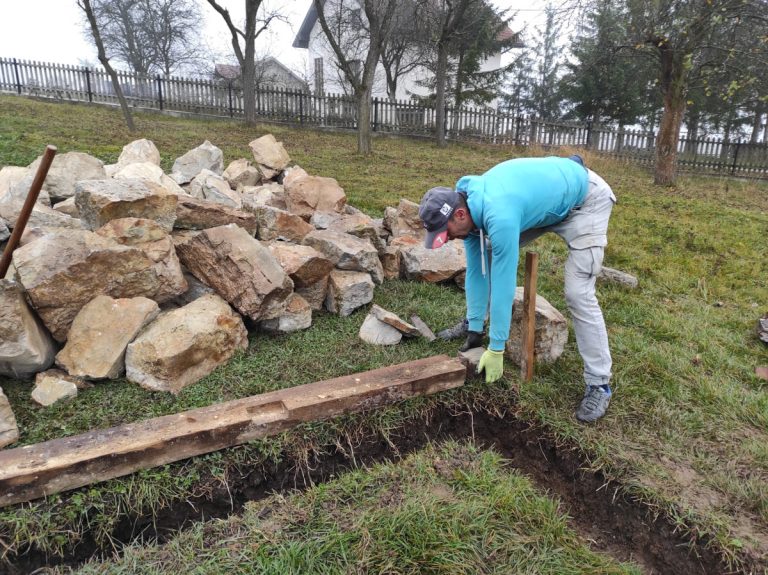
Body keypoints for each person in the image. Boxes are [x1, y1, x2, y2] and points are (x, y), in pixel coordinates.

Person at [418, 155, 616, 423]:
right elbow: (476, 269)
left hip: (585, 202)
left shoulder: (498, 213)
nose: (449, 238)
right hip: (544, 203)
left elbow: (503, 280)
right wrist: (476, 329)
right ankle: (474, 323)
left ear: (460, 214)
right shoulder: (466, 210)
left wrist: (497, 348)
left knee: (578, 293)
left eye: (448, 233)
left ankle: (599, 384)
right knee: (487, 247)